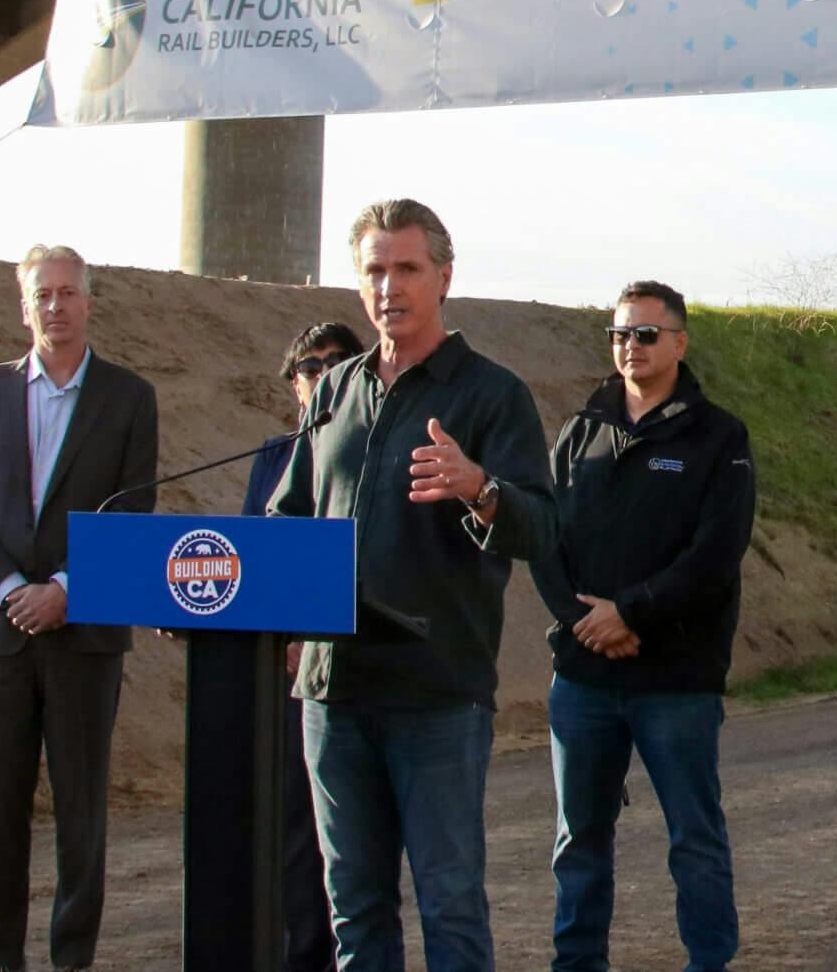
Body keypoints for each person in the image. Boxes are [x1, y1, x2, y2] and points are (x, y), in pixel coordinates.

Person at [269, 200, 551, 972]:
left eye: (406, 269)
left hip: (435, 694)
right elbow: (289, 514)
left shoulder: (492, 395)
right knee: (354, 911)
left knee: (449, 906)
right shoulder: (333, 391)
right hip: (334, 692)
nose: (388, 286)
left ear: (444, 277)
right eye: (374, 270)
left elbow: (543, 528)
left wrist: (479, 487)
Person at [472, 280, 754, 972]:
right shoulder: (580, 431)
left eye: (645, 334)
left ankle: (709, 962)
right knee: (579, 842)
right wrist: (582, 620)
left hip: (677, 678)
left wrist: (632, 613)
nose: (630, 347)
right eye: (620, 334)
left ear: (680, 343)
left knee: (694, 836)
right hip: (586, 679)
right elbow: (542, 537)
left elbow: (716, 553)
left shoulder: (719, 437)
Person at [0, 244, 160, 972]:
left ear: (90, 301)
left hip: (84, 634)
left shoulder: (128, 399)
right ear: (23, 305)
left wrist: (67, 588)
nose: (56, 306)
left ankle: (73, 960)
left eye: (69, 293)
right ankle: (1, 958)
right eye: (43, 295)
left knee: (81, 814)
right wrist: (9, 591)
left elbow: (133, 510)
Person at [241, 321, 365, 972]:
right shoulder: (270, 459)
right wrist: (285, 638)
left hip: (364, 673)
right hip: (288, 677)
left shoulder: (379, 452)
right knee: (294, 835)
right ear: (294, 385)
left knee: (351, 844)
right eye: (308, 367)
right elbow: (252, 562)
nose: (321, 375)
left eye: (335, 363)